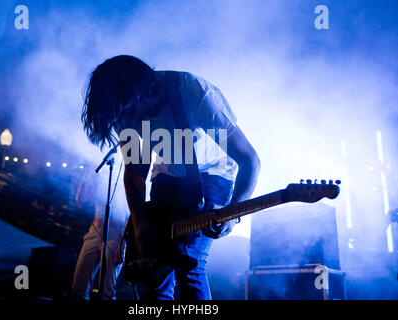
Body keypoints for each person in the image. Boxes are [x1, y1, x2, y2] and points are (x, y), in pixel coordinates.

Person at [81, 55, 260, 300]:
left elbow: (249, 159)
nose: (127, 121)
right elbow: (135, 173)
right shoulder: (125, 110)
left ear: (145, 91)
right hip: (168, 173)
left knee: (189, 263)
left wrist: (234, 212)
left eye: (130, 113)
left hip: (212, 173)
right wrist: (140, 223)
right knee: (155, 268)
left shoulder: (195, 93)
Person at [71, 167, 128, 300]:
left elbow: (129, 218)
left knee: (107, 291)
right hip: (95, 231)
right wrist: (85, 177)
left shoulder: (125, 178)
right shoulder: (102, 177)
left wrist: (122, 245)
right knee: (78, 287)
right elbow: (81, 200)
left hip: (116, 235)